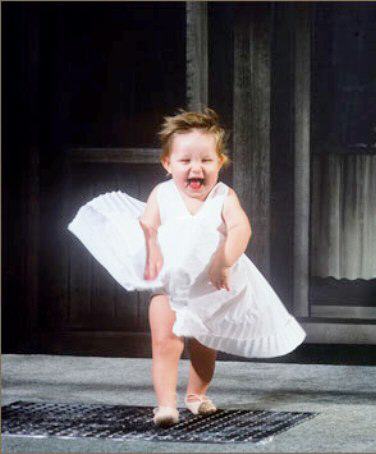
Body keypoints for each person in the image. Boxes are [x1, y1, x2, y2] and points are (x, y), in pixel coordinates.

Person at [68, 108, 306, 426]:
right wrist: (151, 250)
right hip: (169, 287)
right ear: (168, 164)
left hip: (209, 290)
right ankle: (166, 404)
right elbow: (148, 224)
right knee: (164, 343)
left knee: (205, 346)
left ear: (220, 162)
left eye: (206, 160)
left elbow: (241, 229)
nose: (196, 168)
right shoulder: (162, 194)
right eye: (185, 161)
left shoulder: (223, 197)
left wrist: (223, 261)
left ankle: (196, 394)